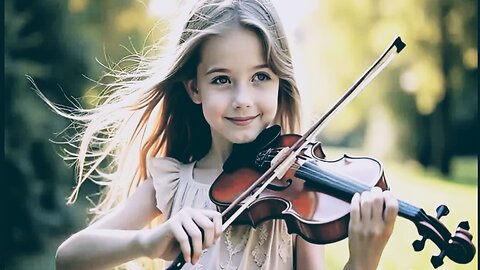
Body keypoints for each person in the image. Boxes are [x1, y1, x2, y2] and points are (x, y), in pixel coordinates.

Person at [49, 0, 398, 269]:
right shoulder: (169, 184)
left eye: (260, 76)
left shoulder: (298, 200)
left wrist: (363, 261)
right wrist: (147, 242)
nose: (242, 100)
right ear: (194, 88)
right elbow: (69, 257)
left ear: (280, 83)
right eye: (221, 79)